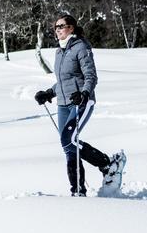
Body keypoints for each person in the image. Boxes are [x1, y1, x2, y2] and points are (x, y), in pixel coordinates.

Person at [34, 12, 126, 196]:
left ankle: (107, 164)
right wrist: (49, 93)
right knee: (68, 146)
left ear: (71, 28)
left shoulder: (81, 47)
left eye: (60, 26)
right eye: (55, 27)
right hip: (63, 103)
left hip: (82, 101)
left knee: (69, 140)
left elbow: (91, 75)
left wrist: (84, 93)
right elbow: (63, 81)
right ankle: (79, 191)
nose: (57, 30)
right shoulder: (59, 51)